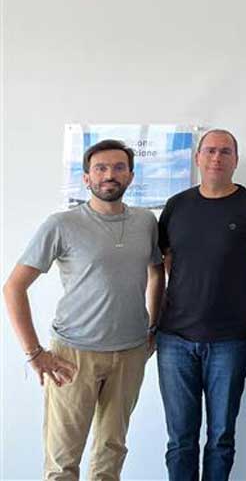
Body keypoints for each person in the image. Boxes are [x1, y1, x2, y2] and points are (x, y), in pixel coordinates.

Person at [2, 139, 164, 480]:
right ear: (87, 178)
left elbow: (156, 272)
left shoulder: (145, 222)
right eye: (101, 168)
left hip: (131, 352)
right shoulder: (61, 224)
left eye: (119, 168)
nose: (110, 175)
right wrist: (34, 353)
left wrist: (153, 325)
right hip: (73, 356)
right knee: (63, 459)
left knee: (111, 451)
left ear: (131, 176)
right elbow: (13, 287)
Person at [157, 129, 246, 481]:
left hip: (231, 339)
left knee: (221, 437)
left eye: (225, 151)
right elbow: (167, 263)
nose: (216, 158)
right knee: (180, 439)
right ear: (197, 158)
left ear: (236, 159)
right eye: (209, 151)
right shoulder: (177, 206)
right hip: (175, 339)